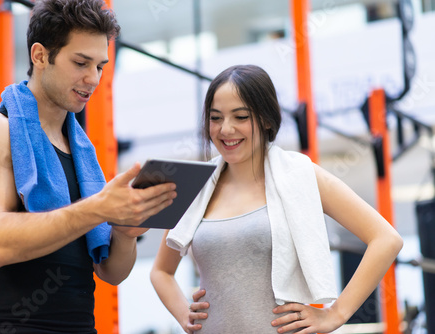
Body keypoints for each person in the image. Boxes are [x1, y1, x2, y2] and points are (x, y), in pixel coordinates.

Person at [0, 0, 176, 333]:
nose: (93, 78)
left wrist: (126, 232)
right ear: (40, 56)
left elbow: (111, 273)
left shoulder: (80, 150)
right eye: (81, 62)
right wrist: (96, 208)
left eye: (100, 66)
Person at [150, 64, 403, 334]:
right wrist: (183, 313)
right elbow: (161, 272)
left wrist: (336, 313)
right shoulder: (195, 185)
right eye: (215, 118)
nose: (226, 129)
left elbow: (386, 239)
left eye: (240, 117)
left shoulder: (300, 174)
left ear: (267, 119)